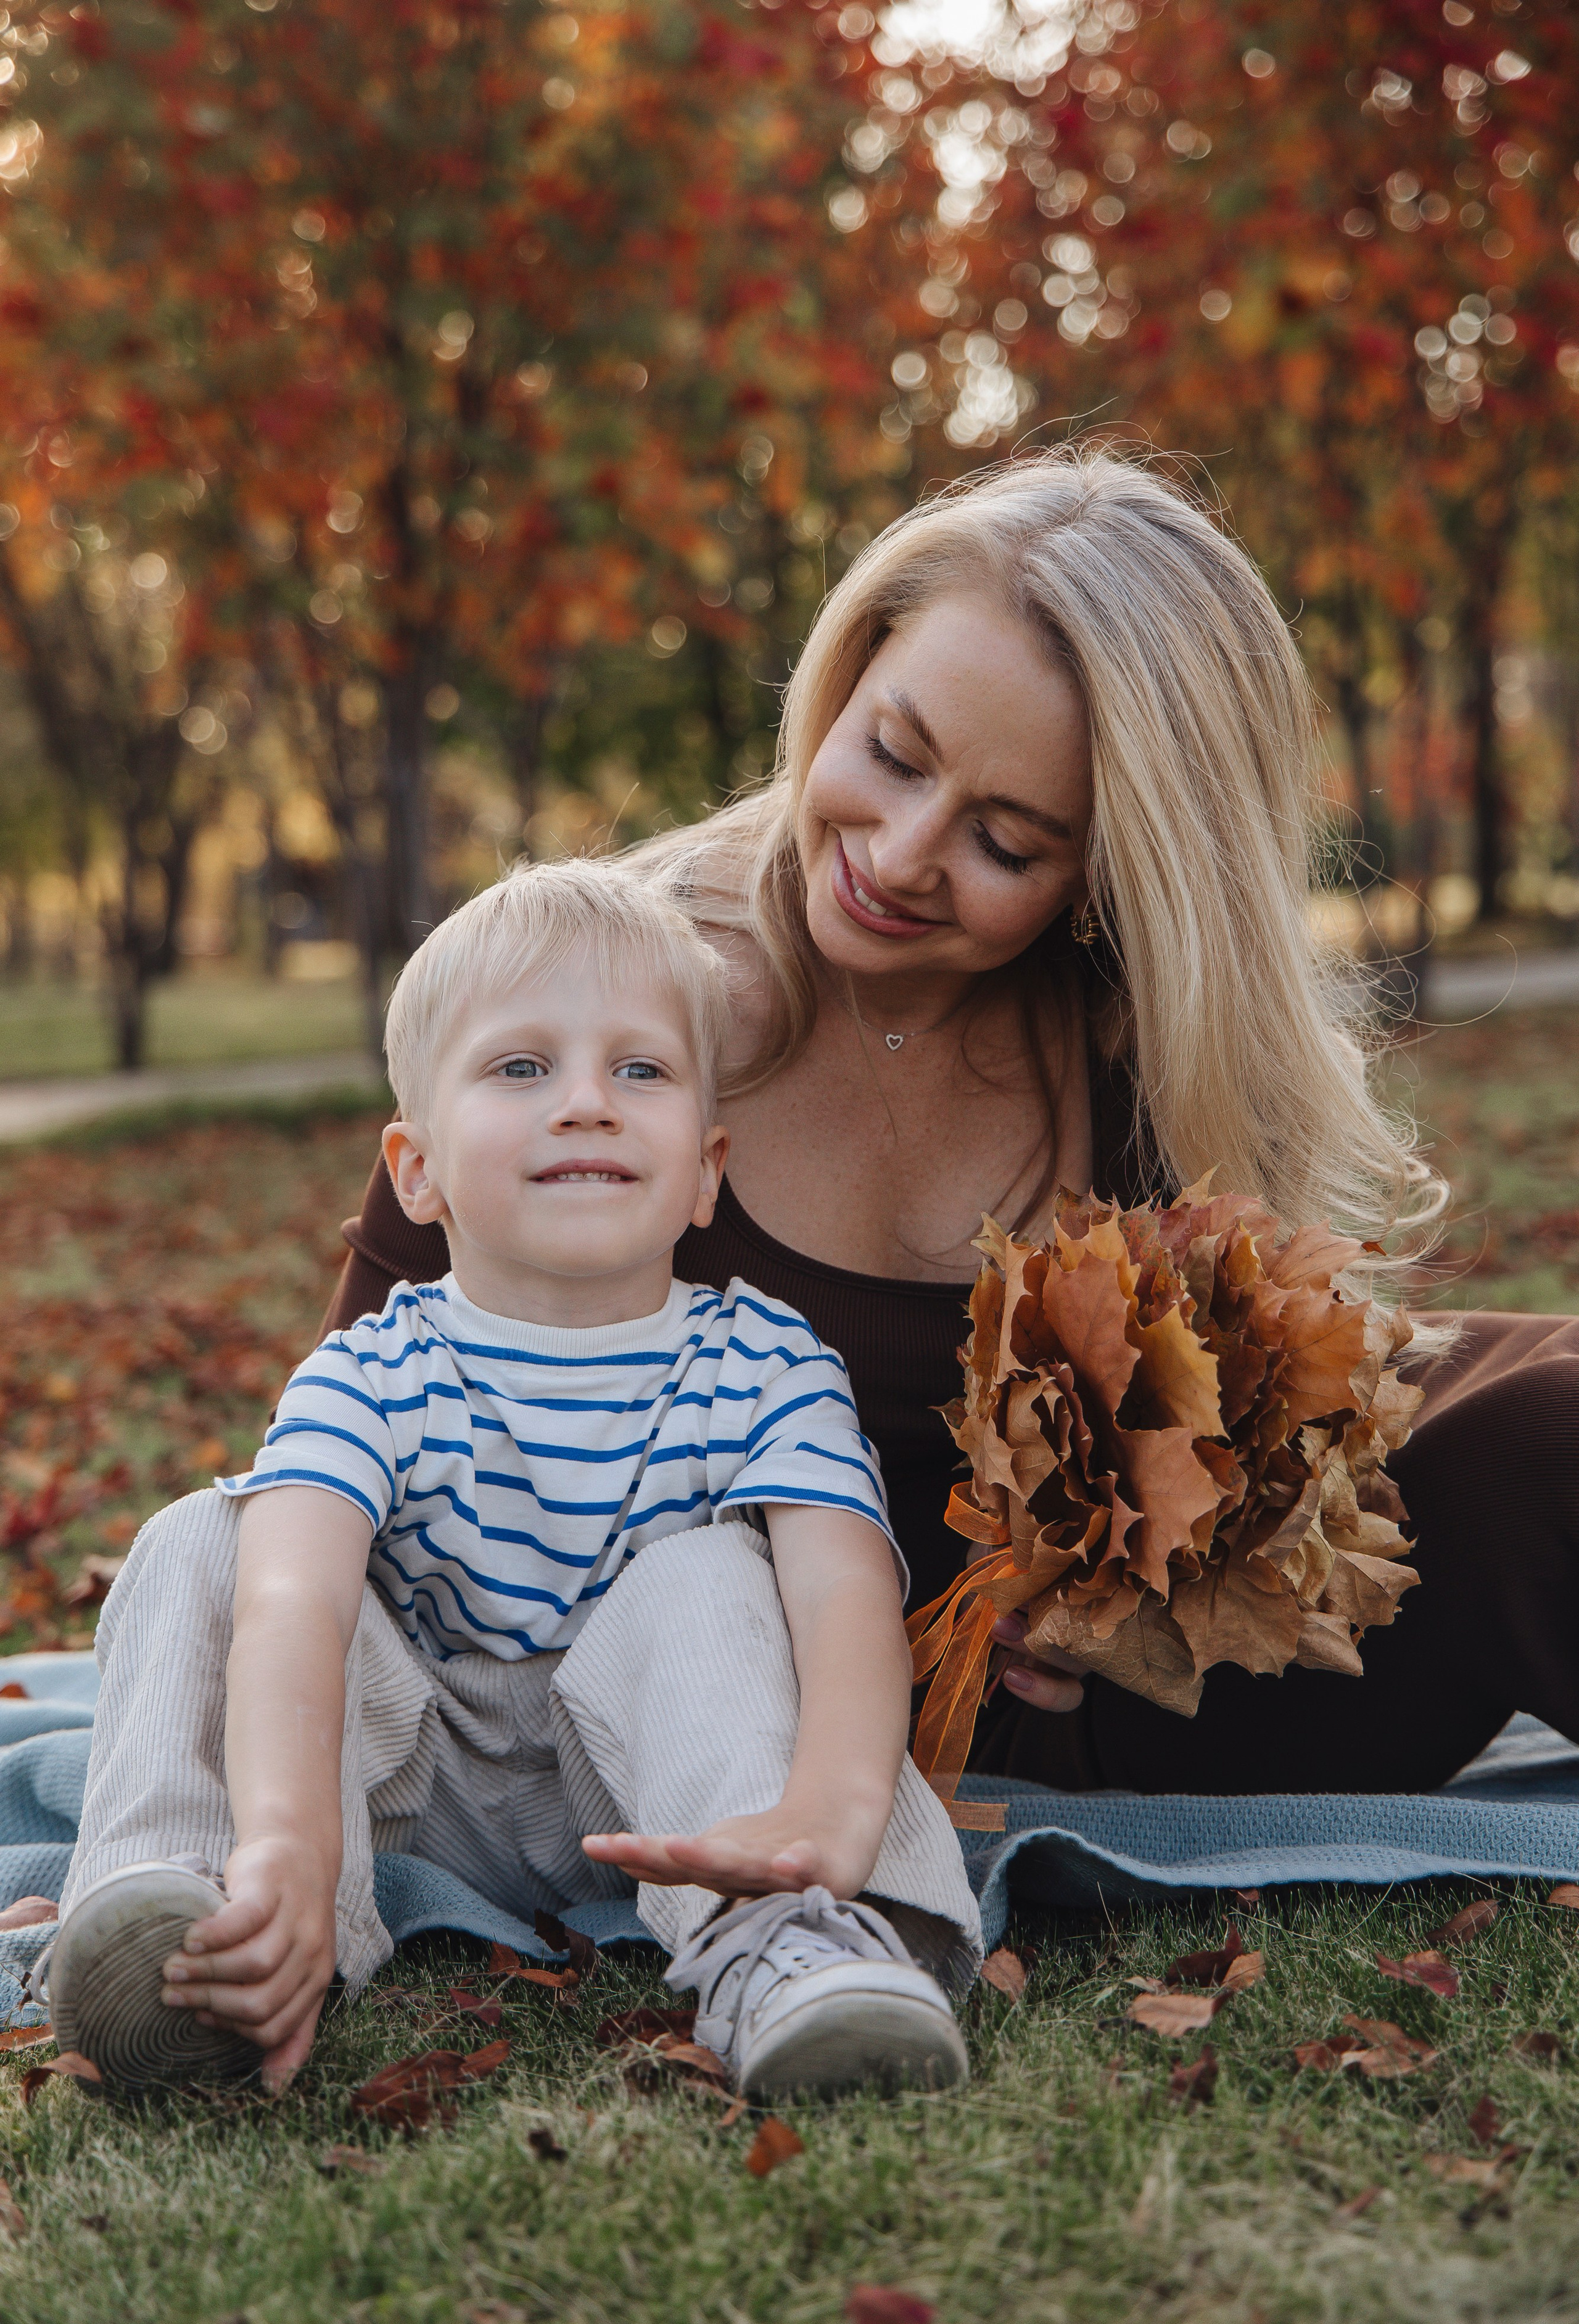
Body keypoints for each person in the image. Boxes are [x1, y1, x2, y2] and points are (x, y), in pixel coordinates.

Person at [331, 448, 1579, 1797]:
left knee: (1546, 1426)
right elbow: (357, 1447)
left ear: (1108, 874)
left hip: (1138, 1684)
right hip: (786, 1719)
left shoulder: (1139, 1045)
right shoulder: (597, 1006)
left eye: (1006, 842)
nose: (901, 852)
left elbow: (1237, 1438)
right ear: (844, 676)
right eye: (891, 752)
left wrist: (1156, 1579)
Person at [40, 862, 981, 2095]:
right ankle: (209, 1918)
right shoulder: (370, 1371)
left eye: (637, 1070)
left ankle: (784, 1941)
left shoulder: (763, 1360)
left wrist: (832, 1811)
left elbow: (843, 1601)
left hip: (674, 1799)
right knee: (208, 1540)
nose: (586, 1102)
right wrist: (289, 1831)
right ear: (415, 1170)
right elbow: (293, 1607)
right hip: (406, 1779)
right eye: (521, 1068)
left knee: (710, 1574)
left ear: (705, 1171)